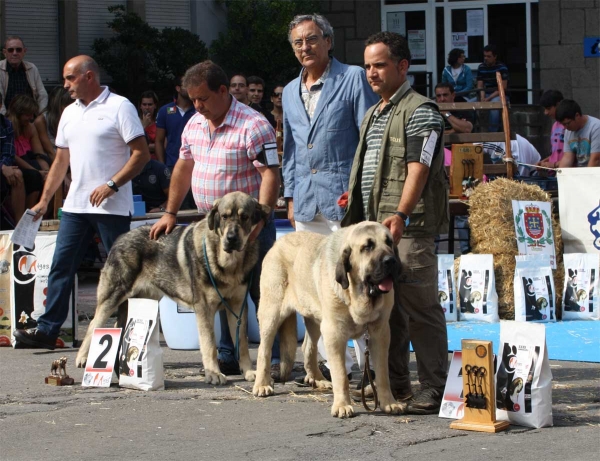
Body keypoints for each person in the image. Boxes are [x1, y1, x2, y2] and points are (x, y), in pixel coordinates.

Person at [148, 60, 281, 378]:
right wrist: (170, 212)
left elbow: (270, 174)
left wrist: (258, 221)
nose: (196, 105)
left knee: (261, 292)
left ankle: (272, 360)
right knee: (219, 290)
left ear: (223, 91)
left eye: (202, 99)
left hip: (250, 226)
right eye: (192, 99)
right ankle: (228, 355)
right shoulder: (194, 123)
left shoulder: (253, 124)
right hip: (213, 230)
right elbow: (183, 167)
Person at [342, 31, 449, 414]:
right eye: (368, 66)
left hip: (410, 228)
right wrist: (355, 201)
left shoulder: (422, 110)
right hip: (378, 227)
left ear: (402, 66)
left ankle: (435, 387)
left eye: (380, 65)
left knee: (420, 308)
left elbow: (418, 167)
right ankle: (394, 385)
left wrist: (401, 214)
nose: (371, 73)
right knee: (390, 313)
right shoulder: (375, 112)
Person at [12, 55, 150, 349]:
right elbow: (61, 159)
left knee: (121, 270)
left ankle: (128, 331)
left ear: (89, 76)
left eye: (70, 78)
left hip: (112, 206)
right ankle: (49, 330)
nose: (65, 85)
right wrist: (45, 200)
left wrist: (112, 184)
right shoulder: (69, 113)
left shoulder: (120, 106)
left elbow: (141, 154)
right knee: (62, 265)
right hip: (76, 205)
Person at [283, 13, 379, 383]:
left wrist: (359, 189)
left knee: (359, 277)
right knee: (319, 282)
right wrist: (290, 195)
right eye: (297, 43)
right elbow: (291, 150)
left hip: (344, 200)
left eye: (311, 39)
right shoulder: (290, 90)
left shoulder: (352, 78)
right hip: (307, 203)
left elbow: (368, 138)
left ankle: (368, 361)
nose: (304, 48)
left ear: (328, 41)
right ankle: (335, 365)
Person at [1, 92, 30, 223]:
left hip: (3, 166)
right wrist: (2, 167)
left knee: (17, 175)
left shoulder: (6, 124)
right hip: (1, 167)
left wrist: (5, 166)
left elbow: (9, 151)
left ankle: (19, 225)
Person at [7, 94, 51, 181]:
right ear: (18, 113)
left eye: (32, 114)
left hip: (30, 162)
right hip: (14, 165)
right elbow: (13, 156)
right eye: (28, 115)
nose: (31, 118)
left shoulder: (30, 127)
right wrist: (37, 172)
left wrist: (46, 171)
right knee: (34, 177)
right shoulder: (6, 127)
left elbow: (39, 153)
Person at [0, 36, 48, 115]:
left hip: (30, 117)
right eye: (10, 50)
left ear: (24, 51)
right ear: (5, 53)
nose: (15, 53)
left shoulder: (32, 68)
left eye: (18, 50)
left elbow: (42, 95)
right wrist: (6, 122)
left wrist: (41, 115)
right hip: (8, 117)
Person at [155, 77, 195, 168]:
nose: (190, 88)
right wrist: (162, 166)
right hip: (171, 164)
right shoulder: (165, 110)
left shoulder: (199, 110)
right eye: (186, 85)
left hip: (194, 164)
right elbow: (159, 140)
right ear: (178, 88)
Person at [555, 99, 600, 168]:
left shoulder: (596, 127)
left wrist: (586, 177)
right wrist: (560, 176)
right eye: (563, 124)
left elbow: (596, 160)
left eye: (567, 123)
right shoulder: (568, 131)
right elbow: (567, 158)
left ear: (577, 115)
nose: (565, 127)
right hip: (580, 173)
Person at [34, 87, 74, 160]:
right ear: (57, 105)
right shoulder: (41, 121)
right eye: (67, 105)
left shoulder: (72, 117)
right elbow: (50, 151)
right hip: (53, 158)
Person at [476, 45, 509, 132]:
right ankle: (474, 130)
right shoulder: (481, 67)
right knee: (469, 103)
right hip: (486, 93)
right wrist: (483, 97)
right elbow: (480, 85)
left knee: (494, 107)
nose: (486, 58)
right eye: (485, 56)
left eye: (489, 56)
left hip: (499, 94)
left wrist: (489, 98)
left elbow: (503, 87)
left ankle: (493, 133)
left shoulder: (502, 67)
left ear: (495, 57)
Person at [536, 90, 564, 172]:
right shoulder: (555, 125)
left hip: (565, 172)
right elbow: (557, 153)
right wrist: (544, 162)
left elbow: (570, 155)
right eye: (545, 109)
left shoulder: (569, 126)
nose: (546, 113)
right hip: (554, 173)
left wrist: (554, 165)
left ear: (558, 105)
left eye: (548, 109)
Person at [139, 90, 159, 158]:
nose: (147, 107)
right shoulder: (135, 121)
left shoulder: (159, 122)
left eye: (150, 104)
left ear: (155, 106)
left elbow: (163, 145)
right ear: (140, 106)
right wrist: (144, 125)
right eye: (144, 104)